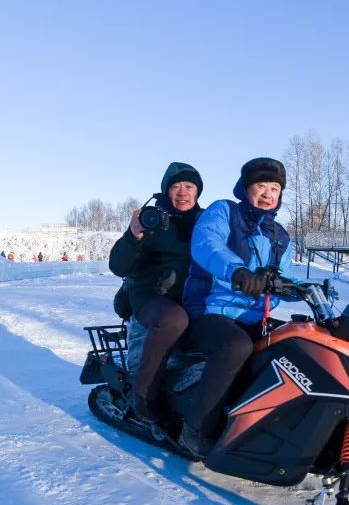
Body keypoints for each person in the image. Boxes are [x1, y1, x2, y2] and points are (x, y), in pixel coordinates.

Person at [178, 157, 295, 458]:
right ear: (245, 189)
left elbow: (284, 276)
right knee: (236, 345)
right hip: (210, 311)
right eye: (260, 186)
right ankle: (196, 428)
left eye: (274, 188)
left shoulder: (280, 235)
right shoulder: (224, 212)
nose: (268, 194)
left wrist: (299, 288)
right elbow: (206, 245)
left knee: (299, 345)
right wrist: (237, 271)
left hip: (256, 316)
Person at [108, 162, 204, 424]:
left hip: (192, 297)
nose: (182, 192)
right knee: (173, 319)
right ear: (166, 190)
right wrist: (134, 235)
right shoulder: (153, 219)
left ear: (197, 191)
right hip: (151, 298)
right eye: (175, 186)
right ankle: (143, 395)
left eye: (189, 186)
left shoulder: (206, 221)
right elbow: (118, 266)